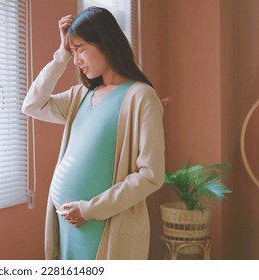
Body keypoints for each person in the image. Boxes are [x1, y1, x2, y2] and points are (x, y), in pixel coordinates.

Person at [22, 7, 165, 260]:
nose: (76, 60)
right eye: (73, 51)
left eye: (80, 49)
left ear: (105, 43)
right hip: (70, 226)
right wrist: (61, 55)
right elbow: (32, 105)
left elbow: (151, 175)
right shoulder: (80, 95)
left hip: (103, 227)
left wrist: (89, 210)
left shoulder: (141, 98)